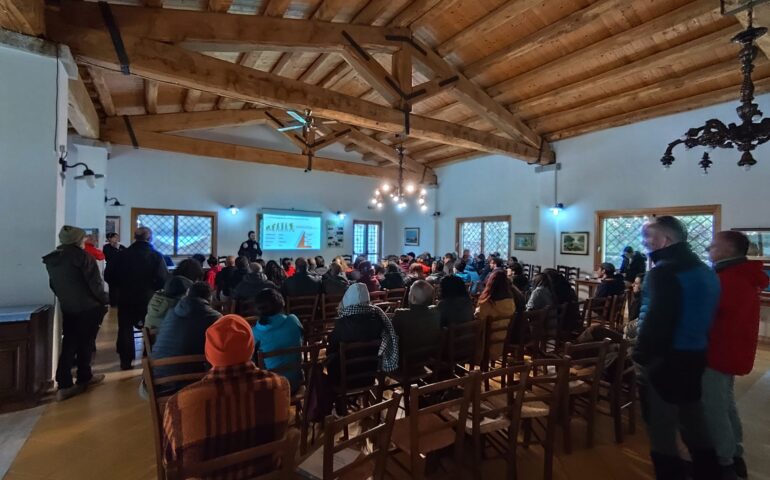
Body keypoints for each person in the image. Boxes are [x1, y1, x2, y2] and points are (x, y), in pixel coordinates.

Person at [633, 216, 721, 478]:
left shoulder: (663, 271)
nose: (644, 243)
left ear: (665, 240)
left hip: (666, 360)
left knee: (661, 428)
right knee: (694, 420)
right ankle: (710, 472)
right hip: (695, 354)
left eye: (647, 237)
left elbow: (657, 319)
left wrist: (641, 356)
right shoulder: (704, 269)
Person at [162, 315, 290, 477]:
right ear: (251, 347)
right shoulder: (279, 386)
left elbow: (170, 463)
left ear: (208, 352)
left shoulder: (181, 403)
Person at [702, 231, 769, 478]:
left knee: (714, 407)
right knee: (726, 403)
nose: (709, 248)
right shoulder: (740, 275)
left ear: (727, 250)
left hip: (717, 351)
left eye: (714, 245)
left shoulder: (727, 279)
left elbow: (708, 317)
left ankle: (724, 461)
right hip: (731, 349)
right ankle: (735, 451)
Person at [43, 226, 109, 401]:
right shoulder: (83, 257)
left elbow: (53, 285)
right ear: (78, 239)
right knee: (85, 342)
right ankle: (78, 379)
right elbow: (95, 285)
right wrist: (105, 300)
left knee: (70, 342)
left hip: (69, 306)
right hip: (88, 307)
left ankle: (68, 380)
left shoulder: (54, 258)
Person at [104, 227, 168, 370]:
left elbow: (108, 276)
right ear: (150, 238)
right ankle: (148, 358)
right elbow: (163, 279)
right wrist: (152, 288)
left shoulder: (121, 255)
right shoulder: (156, 256)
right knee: (150, 327)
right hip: (148, 298)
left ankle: (125, 361)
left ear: (135, 237)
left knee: (125, 329)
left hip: (126, 296)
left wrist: (120, 286)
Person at [326, 284, 397, 390]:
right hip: (370, 376)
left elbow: (330, 349)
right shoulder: (379, 319)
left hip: (344, 378)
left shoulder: (342, 323)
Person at [151, 282, 222, 386]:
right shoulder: (214, 317)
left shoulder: (172, 312)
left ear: (188, 294)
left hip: (157, 377)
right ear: (210, 298)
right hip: (190, 382)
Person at [251, 288, 304, 393]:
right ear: (281, 303)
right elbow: (302, 338)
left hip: (273, 388)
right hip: (296, 383)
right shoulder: (293, 320)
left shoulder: (255, 332)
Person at [391, 281, 441, 373]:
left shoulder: (401, 315)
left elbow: (391, 339)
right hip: (426, 358)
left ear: (412, 298)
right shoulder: (436, 312)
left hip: (402, 363)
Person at [144, 259, 204, 331]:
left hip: (152, 339)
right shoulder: (185, 298)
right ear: (195, 277)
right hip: (173, 339)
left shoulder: (161, 293)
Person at [475, 270, 516, 361]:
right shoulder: (510, 301)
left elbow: (479, 320)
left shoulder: (487, 303)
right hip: (503, 342)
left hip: (486, 345)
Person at [102, 232, 126, 306]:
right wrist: (116, 249)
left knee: (121, 288)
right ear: (109, 238)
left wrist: (118, 249)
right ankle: (113, 304)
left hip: (121, 270)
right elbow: (109, 257)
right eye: (115, 237)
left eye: (117, 237)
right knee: (112, 288)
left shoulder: (121, 246)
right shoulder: (106, 247)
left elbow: (126, 255)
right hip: (110, 270)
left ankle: (120, 303)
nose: (117, 239)